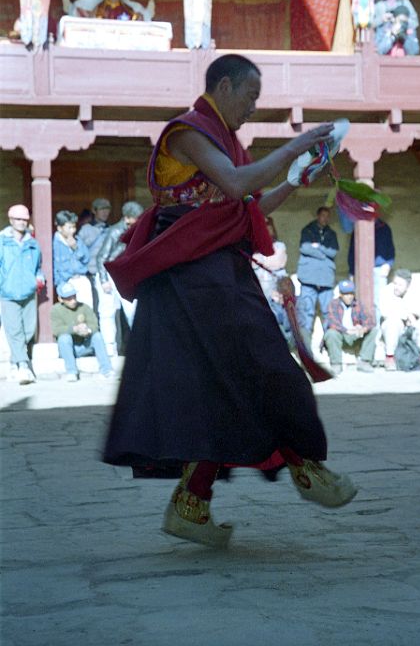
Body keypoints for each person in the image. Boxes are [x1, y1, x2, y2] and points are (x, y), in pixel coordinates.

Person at [103, 54, 357, 548]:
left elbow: (249, 207)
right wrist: (299, 143)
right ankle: (306, 467)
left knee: (217, 393)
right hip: (186, 278)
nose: (254, 108)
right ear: (224, 86)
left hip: (218, 272)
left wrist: (294, 178)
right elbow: (239, 186)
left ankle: (190, 505)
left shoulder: (229, 145)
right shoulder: (187, 133)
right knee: (265, 369)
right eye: (250, 96)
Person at [0, 204, 44, 384]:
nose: (21, 222)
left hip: (27, 292)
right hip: (7, 293)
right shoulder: (2, 241)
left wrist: (38, 280)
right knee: (14, 331)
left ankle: (14, 362)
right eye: (18, 219)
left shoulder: (33, 243)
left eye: (24, 219)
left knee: (28, 331)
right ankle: (23, 366)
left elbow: (38, 266)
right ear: (11, 220)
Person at [94, 201, 144, 357]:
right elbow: (102, 256)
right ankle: (109, 348)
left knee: (132, 311)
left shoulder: (137, 230)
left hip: (125, 273)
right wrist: (103, 280)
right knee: (108, 312)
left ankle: (140, 345)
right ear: (128, 218)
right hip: (109, 273)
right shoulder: (115, 231)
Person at [50, 282, 115, 382]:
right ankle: (72, 372)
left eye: (74, 296)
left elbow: (94, 325)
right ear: (60, 299)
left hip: (84, 345)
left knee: (97, 336)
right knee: (63, 338)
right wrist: (74, 329)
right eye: (69, 298)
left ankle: (106, 370)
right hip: (68, 348)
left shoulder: (84, 307)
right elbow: (56, 330)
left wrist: (87, 330)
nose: (73, 300)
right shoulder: (56, 310)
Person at [296, 206, 339, 338]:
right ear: (318, 216)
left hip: (326, 278)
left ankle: (328, 340)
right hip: (309, 277)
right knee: (307, 310)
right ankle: (306, 341)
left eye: (327, 216)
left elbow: (333, 251)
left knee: (328, 311)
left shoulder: (331, 233)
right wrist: (322, 255)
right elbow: (305, 248)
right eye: (323, 215)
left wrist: (319, 247)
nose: (325, 219)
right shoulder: (308, 230)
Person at [379, 268, 420, 371]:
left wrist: (412, 316)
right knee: (392, 322)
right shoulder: (386, 291)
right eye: (395, 283)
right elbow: (385, 313)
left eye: (400, 285)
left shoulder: (415, 292)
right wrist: (406, 315)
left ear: (407, 286)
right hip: (395, 330)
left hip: (411, 328)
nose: (396, 287)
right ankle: (390, 358)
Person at [324, 279, 377, 375]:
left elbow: (370, 321)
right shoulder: (333, 304)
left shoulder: (358, 304)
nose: (349, 297)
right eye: (346, 294)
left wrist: (363, 328)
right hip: (341, 334)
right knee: (331, 333)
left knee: (373, 330)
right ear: (340, 294)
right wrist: (347, 330)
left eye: (351, 294)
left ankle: (364, 361)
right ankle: (336, 363)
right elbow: (332, 322)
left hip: (355, 334)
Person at [348, 217, 395, 323]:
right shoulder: (358, 227)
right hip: (361, 269)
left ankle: (376, 329)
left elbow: (390, 248)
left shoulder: (384, 228)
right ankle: (362, 326)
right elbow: (352, 251)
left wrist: (388, 264)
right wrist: (352, 271)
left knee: (379, 301)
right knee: (360, 299)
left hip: (379, 268)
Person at [78, 198, 112, 313]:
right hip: (89, 273)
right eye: (102, 209)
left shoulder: (111, 229)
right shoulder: (86, 229)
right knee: (92, 305)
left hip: (106, 274)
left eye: (107, 209)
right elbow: (78, 250)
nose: (105, 212)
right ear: (94, 211)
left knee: (108, 308)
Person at [52, 210, 92, 306]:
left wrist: (76, 248)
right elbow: (54, 267)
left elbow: (87, 259)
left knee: (87, 309)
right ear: (59, 228)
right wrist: (60, 284)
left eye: (74, 227)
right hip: (66, 282)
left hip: (81, 279)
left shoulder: (77, 240)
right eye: (69, 227)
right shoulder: (54, 244)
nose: (73, 230)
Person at [252, 216, 287, 301]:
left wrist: (263, 261)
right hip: (261, 283)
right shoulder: (254, 249)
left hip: (278, 282)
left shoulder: (280, 246)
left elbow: (278, 263)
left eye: (269, 227)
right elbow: (254, 264)